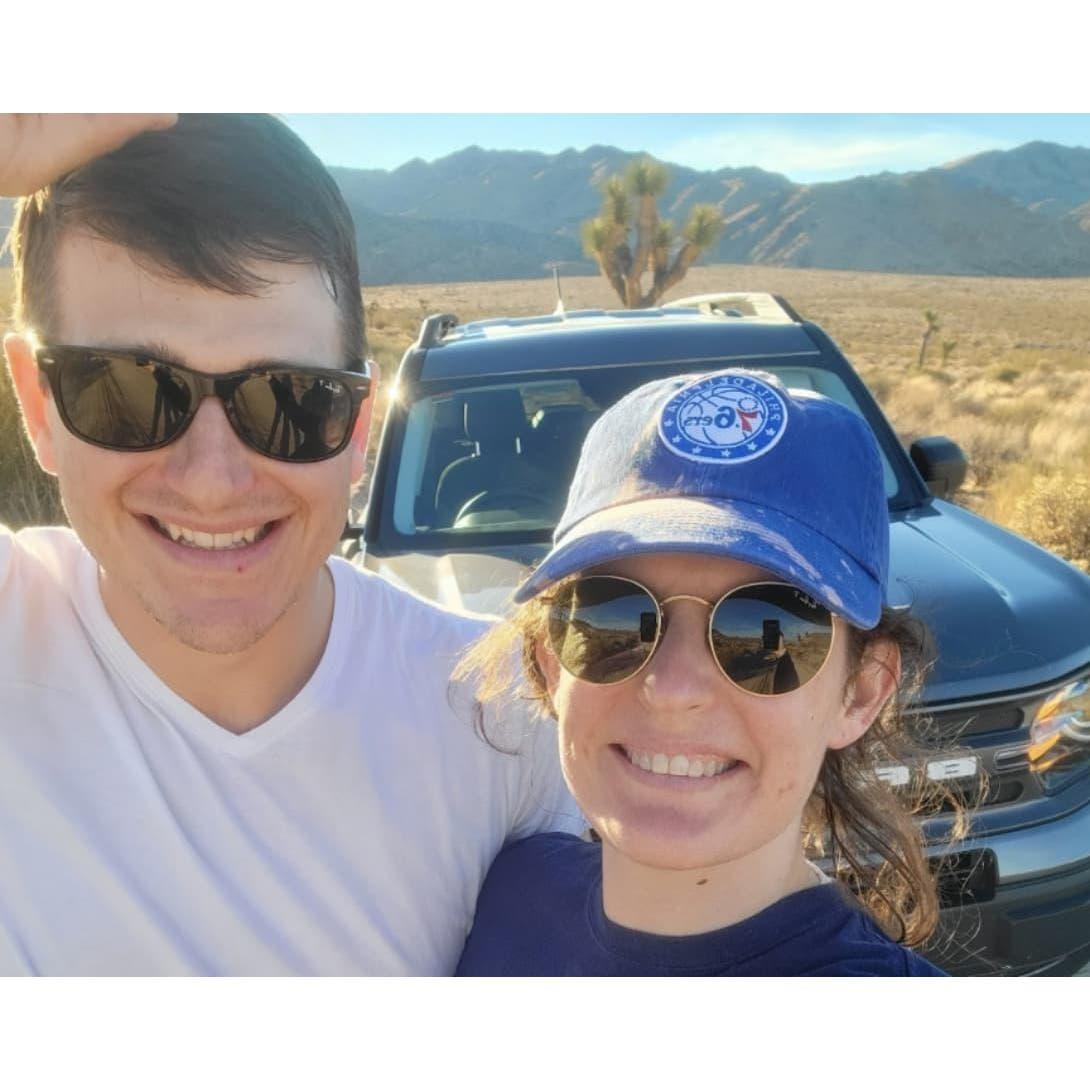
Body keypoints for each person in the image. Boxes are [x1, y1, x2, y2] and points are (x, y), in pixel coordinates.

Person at [0, 114, 581, 975]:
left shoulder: (503, 723)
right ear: (39, 406)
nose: (212, 480)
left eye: (289, 401)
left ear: (355, 430)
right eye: (127, 391)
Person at [455, 368, 954, 975]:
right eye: (613, 618)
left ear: (862, 692)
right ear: (549, 659)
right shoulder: (510, 894)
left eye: (766, 632)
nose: (673, 690)